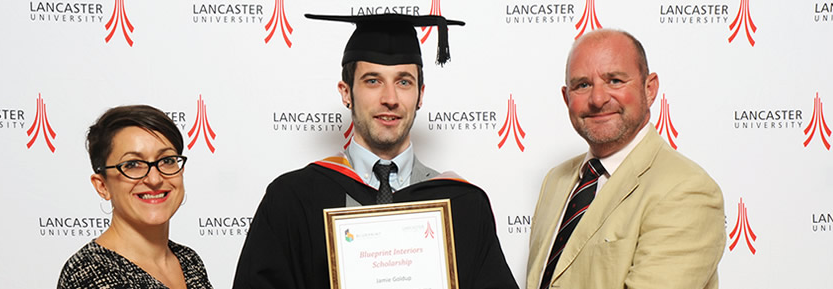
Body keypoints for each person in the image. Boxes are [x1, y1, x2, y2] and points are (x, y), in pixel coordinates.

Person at [232, 13, 518, 289]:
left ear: (420, 94)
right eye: (373, 81)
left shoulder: (463, 205)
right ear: (346, 92)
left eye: (404, 82)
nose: (390, 99)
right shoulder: (292, 201)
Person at [526, 29, 725, 289]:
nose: (598, 99)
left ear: (650, 89)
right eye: (583, 85)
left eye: (615, 81)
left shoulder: (686, 190)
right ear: (566, 98)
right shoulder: (556, 180)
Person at [58, 105, 212, 289]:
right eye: (132, 164)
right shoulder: (89, 272)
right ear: (102, 185)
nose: (154, 179)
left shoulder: (188, 261)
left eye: (167, 161)